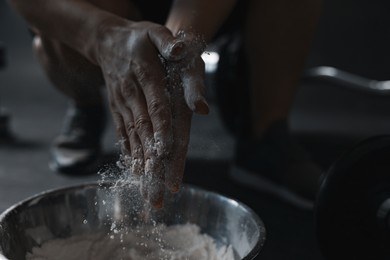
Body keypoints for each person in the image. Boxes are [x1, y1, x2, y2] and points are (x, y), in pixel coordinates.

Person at [8, 0, 323, 209]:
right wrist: (102, 36)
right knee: (59, 32)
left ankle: (265, 132)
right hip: (108, 10)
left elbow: (178, 39)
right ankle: (84, 102)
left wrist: (176, 46)